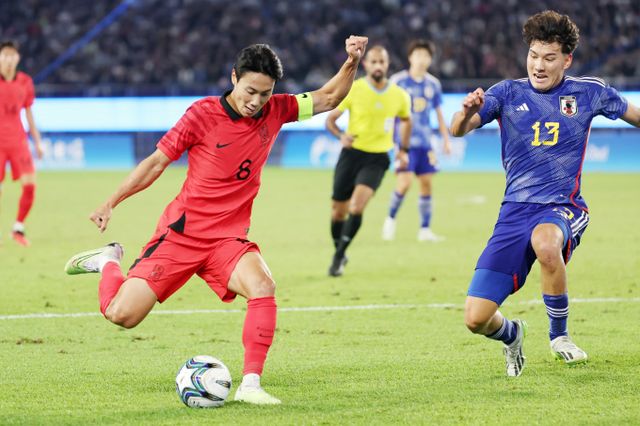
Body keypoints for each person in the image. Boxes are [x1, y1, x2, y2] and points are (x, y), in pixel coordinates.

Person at [64, 36, 369, 404]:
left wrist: (351, 61)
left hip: (227, 239)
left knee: (263, 285)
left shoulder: (278, 109)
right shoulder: (201, 115)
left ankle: (251, 385)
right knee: (121, 315)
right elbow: (156, 163)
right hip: (182, 235)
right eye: (250, 91)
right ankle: (108, 261)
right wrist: (112, 201)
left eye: (265, 93)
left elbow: (329, 97)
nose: (256, 101)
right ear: (234, 78)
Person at [450, 10, 640, 377]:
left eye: (549, 57)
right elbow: (459, 130)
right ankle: (513, 335)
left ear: (567, 60)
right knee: (476, 318)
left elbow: (636, 114)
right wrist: (465, 112)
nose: (539, 65)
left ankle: (560, 336)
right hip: (513, 213)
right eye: (534, 55)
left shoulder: (589, 92)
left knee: (546, 242)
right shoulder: (507, 93)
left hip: (563, 207)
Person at [325, 45, 411, 277]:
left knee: (356, 206)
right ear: (366, 64)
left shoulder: (399, 95)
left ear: (387, 64)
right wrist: (341, 136)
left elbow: (406, 120)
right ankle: (340, 251)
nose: (378, 66)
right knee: (337, 212)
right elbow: (330, 120)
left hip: (378, 158)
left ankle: (338, 257)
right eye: (374, 61)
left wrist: (403, 150)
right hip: (351, 155)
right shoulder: (354, 89)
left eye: (382, 61)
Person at [382, 39, 451, 242]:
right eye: (418, 55)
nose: (422, 59)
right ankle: (390, 219)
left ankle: (425, 230)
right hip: (404, 143)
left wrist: (446, 139)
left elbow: (438, 113)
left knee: (426, 184)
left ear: (430, 59)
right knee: (404, 184)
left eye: (426, 56)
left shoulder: (433, 84)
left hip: (425, 143)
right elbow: (388, 111)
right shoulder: (398, 81)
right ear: (410, 57)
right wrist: (389, 139)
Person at [0, 41, 43, 246]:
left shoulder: (25, 81)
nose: (9, 59)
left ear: (17, 58)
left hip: (18, 141)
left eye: (12, 55)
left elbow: (29, 113)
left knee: (30, 185)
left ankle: (18, 228)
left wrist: (37, 141)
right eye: (5, 55)